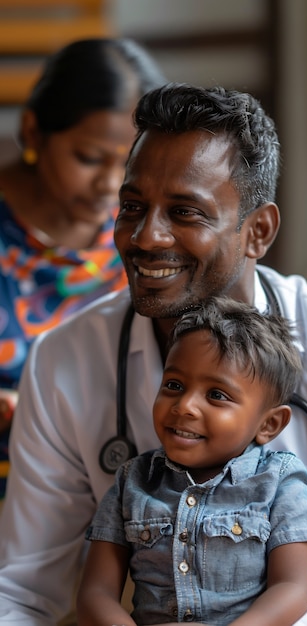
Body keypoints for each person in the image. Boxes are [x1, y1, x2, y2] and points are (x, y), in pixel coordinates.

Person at [0, 83, 307, 625]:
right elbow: (22, 592)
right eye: (133, 207)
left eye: (186, 212)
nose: (147, 237)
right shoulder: (64, 361)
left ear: (257, 230)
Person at [76, 297, 307, 626]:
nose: (185, 406)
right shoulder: (133, 481)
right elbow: (95, 595)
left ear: (268, 424)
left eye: (216, 395)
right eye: (173, 385)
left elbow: (292, 588)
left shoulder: (281, 482)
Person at [0, 37, 166, 498]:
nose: (110, 184)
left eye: (130, 162)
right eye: (89, 158)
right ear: (33, 133)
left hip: (116, 492)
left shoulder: (151, 238)